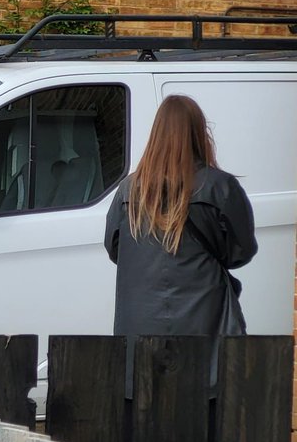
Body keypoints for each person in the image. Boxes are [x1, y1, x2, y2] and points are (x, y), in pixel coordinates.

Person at [103, 94, 257, 391]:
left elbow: (115, 249)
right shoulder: (219, 187)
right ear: (199, 133)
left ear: (156, 133)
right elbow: (241, 251)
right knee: (202, 413)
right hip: (204, 331)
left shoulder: (127, 192)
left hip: (139, 332)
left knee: (144, 415)